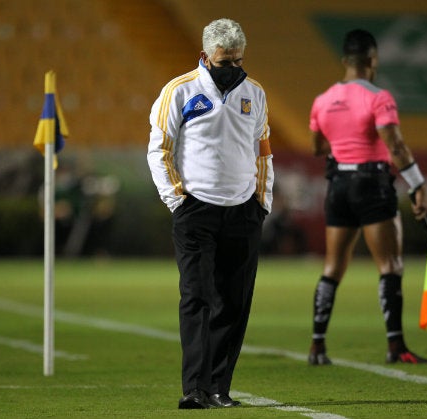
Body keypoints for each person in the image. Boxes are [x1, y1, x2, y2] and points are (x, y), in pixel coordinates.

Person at [147, 18, 273, 408]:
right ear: (205, 56)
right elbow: (159, 149)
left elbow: (263, 153)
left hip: (242, 212)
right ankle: (194, 389)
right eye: (225, 62)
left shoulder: (254, 93)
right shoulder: (179, 91)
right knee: (197, 296)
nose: (233, 69)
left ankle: (219, 388)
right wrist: (177, 200)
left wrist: (262, 203)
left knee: (234, 303)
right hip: (195, 211)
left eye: (238, 61)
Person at [307, 29, 427, 365]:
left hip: (338, 185)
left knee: (332, 267)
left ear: (345, 60)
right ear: (372, 59)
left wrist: (342, 139)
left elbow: (318, 147)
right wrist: (417, 185)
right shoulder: (379, 97)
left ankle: (317, 346)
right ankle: (396, 347)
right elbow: (395, 146)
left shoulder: (322, 100)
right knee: (389, 265)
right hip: (372, 183)